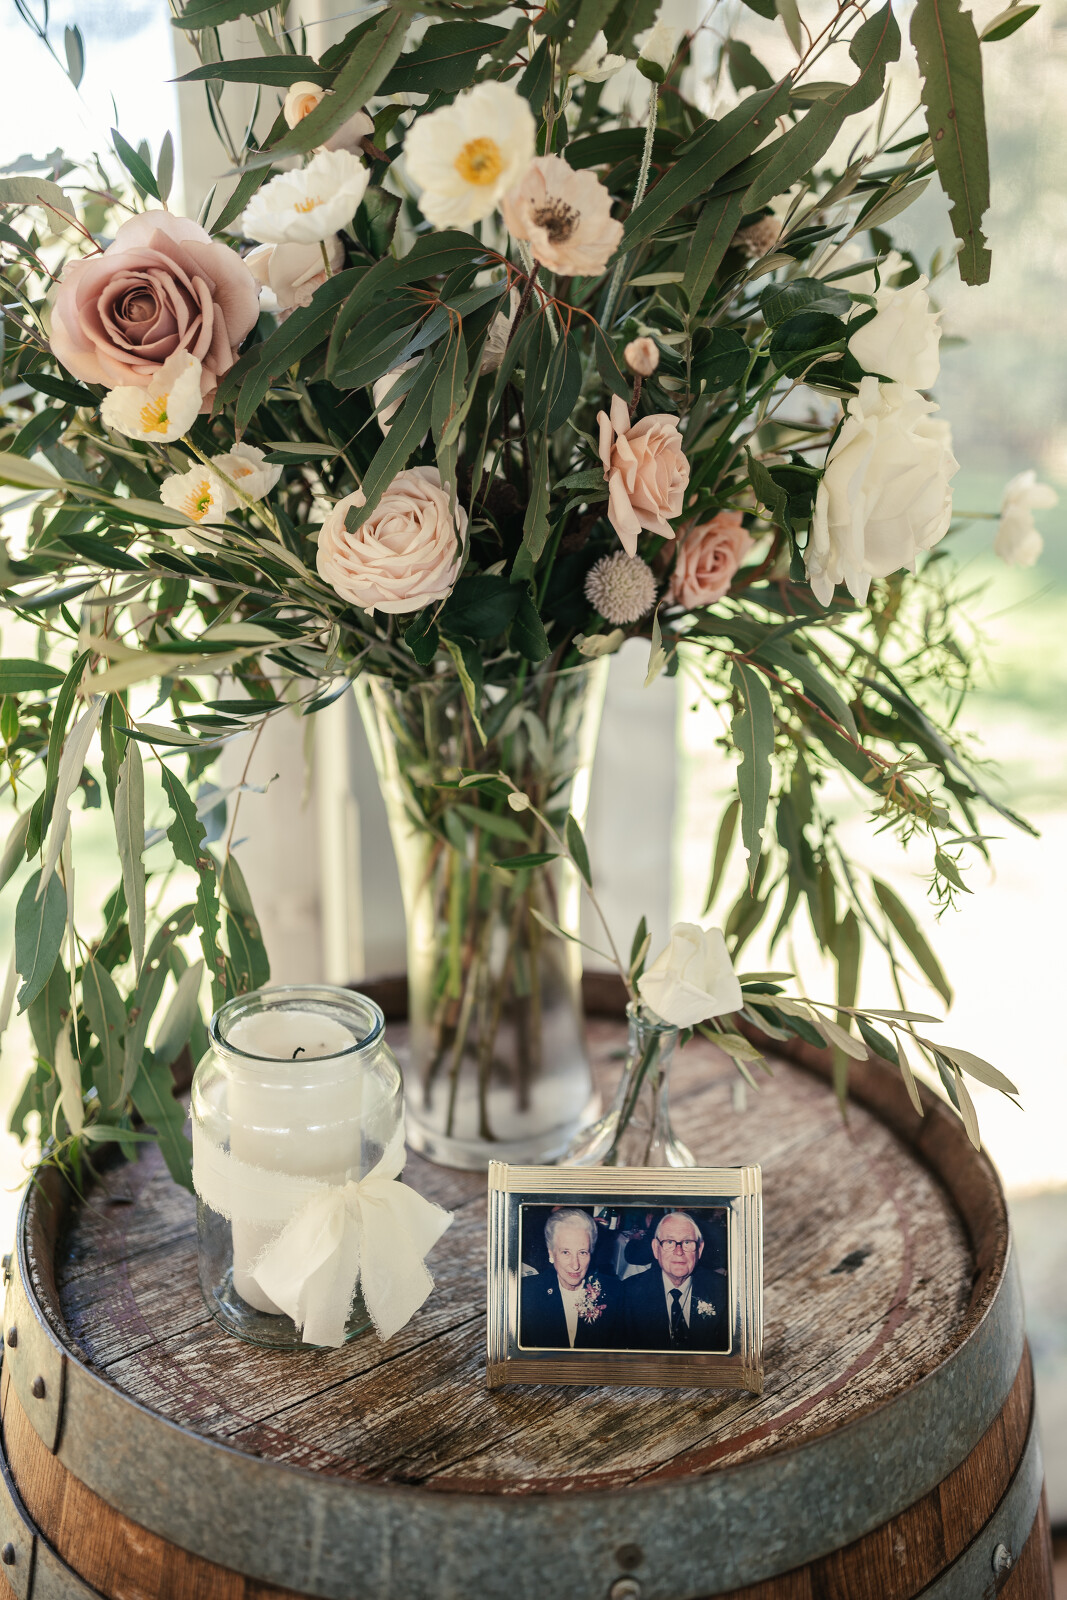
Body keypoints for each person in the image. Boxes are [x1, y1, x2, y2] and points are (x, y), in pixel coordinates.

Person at [622, 1210, 729, 1352]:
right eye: (669, 1242)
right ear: (655, 1248)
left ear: (700, 1249)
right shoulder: (629, 1293)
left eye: (687, 1242)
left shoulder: (723, 1291)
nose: (679, 1252)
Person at [520, 1208, 623, 1349]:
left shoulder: (614, 1293)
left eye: (582, 1252)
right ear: (551, 1254)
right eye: (565, 1252)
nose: (575, 1265)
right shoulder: (526, 1293)